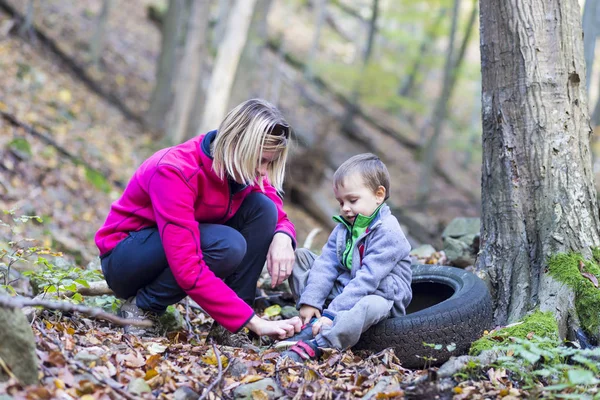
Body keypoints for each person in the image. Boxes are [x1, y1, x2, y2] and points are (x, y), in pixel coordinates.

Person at [95, 98, 301, 341]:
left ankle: (229, 329)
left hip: (172, 249)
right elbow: (186, 265)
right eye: (261, 161)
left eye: (270, 163)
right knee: (228, 244)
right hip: (127, 259)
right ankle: (142, 308)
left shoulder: (241, 169)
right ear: (236, 145)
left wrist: (283, 236)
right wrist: (254, 321)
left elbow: (275, 211)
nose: (264, 171)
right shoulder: (175, 170)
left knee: (264, 209)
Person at [280, 153, 412, 362]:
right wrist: (311, 301)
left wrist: (332, 315)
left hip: (380, 296)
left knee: (367, 306)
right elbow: (326, 264)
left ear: (378, 195)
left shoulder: (388, 231)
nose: (345, 208)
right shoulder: (344, 227)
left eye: (352, 200)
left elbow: (367, 280)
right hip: (346, 289)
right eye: (341, 202)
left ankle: (321, 343)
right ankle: (312, 318)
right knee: (300, 258)